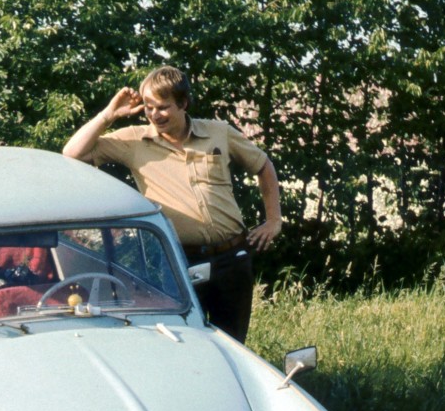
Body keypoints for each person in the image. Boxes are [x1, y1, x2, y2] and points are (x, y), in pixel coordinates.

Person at [62, 65, 281, 342]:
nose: (154, 115)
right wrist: (109, 114)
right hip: (178, 261)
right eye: (149, 107)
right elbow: (71, 153)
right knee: (185, 338)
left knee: (234, 343)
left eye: (163, 107)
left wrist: (273, 220)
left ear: (183, 103)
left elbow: (263, 166)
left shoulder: (218, 133)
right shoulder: (134, 140)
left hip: (232, 257)